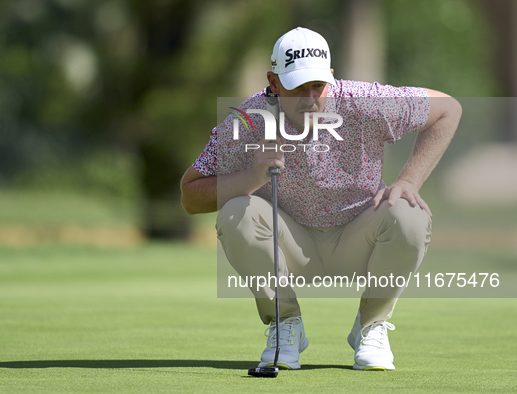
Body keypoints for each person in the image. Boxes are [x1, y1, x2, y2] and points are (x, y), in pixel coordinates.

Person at [180, 27, 461, 371]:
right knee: (237, 210)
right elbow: (190, 195)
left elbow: (448, 109)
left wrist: (409, 181)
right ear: (274, 81)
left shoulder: (365, 100)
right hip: (289, 246)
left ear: (331, 76)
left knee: (410, 214)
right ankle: (286, 326)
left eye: (318, 86)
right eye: (298, 87)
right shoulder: (250, 118)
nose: (310, 97)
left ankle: (371, 327)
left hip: (361, 240)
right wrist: (249, 178)